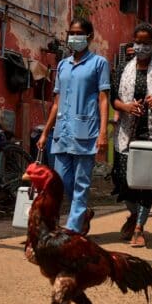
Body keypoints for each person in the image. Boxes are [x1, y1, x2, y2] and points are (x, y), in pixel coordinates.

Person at [37, 18, 110, 236]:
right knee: (60, 182)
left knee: (81, 183)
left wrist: (103, 133)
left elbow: (103, 99)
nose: (74, 37)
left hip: (86, 132)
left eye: (78, 33)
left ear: (89, 37)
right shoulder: (62, 65)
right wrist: (45, 132)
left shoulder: (99, 63)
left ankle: (73, 230)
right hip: (62, 134)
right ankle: (82, 212)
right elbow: (56, 103)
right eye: (71, 33)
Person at [111, 23, 152, 248]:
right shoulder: (122, 69)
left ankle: (139, 227)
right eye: (138, 42)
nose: (141, 47)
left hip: (151, 133)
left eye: (146, 43)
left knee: (146, 183)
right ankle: (135, 213)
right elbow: (113, 100)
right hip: (126, 133)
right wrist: (127, 107)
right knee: (122, 180)